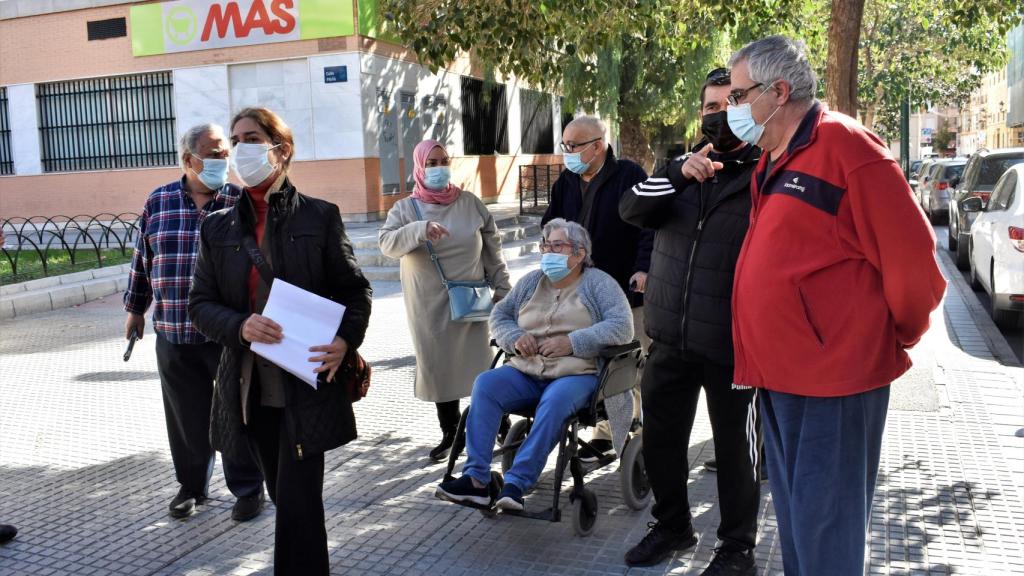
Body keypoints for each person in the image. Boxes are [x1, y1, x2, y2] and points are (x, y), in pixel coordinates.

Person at [725, 36, 945, 575]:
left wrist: (886, 337)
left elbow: (915, 264)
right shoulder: (775, 157)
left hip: (835, 382)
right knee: (801, 530)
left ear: (778, 92)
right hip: (781, 379)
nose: (730, 109)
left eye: (737, 95)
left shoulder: (848, 148)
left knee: (826, 535)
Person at [188, 107, 372, 575]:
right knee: (284, 497)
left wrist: (346, 341)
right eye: (235, 140)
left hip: (305, 383)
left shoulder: (320, 217)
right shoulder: (218, 226)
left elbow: (355, 291)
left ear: (280, 149)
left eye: (251, 138)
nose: (238, 149)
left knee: (299, 504)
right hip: (249, 390)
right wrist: (240, 326)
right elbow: (200, 305)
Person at [618, 68, 761, 575]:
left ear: (748, 109)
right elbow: (630, 209)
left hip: (731, 344)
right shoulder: (673, 169)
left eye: (730, 104)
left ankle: (737, 548)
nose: (718, 116)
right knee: (662, 442)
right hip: (670, 336)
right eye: (709, 107)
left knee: (736, 451)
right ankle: (673, 526)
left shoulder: (764, 172)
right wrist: (679, 173)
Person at [435, 219, 633, 510]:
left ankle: (516, 483)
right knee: (486, 384)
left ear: (579, 253)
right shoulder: (531, 281)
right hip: (527, 369)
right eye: (546, 245)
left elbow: (621, 327)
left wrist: (573, 342)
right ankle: (476, 480)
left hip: (577, 372)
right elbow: (500, 316)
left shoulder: (599, 284)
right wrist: (515, 337)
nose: (548, 252)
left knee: (555, 400)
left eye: (558, 246)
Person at [124, 123, 264, 521]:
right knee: (185, 416)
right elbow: (143, 259)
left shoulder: (239, 201)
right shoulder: (160, 200)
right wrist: (136, 309)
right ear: (189, 160)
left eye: (225, 152)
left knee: (236, 412)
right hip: (172, 330)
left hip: (225, 331)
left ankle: (248, 487)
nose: (225, 159)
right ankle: (191, 486)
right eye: (216, 153)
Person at [379, 140, 511, 461]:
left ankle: (500, 424)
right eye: (432, 163)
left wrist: (503, 289)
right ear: (420, 168)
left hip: (473, 301)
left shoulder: (470, 203)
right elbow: (387, 244)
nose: (439, 168)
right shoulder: (405, 209)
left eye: (443, 161)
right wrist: (419, 229)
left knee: (483, 367)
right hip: (430, 306)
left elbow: (493, 248)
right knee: (440, 368)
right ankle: (451, 433)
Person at [542, 115, 651, 460]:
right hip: (582, 293)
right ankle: (607, 431)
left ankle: (643, 429)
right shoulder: (567, 182)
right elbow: (550, 225)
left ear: (598, 145)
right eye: (565, 145)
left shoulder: (629, 176)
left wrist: (644, 268)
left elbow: (650, 227)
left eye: (573, 146)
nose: (568, 152)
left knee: (631, 362)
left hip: (624, 287)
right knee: (599, 365)